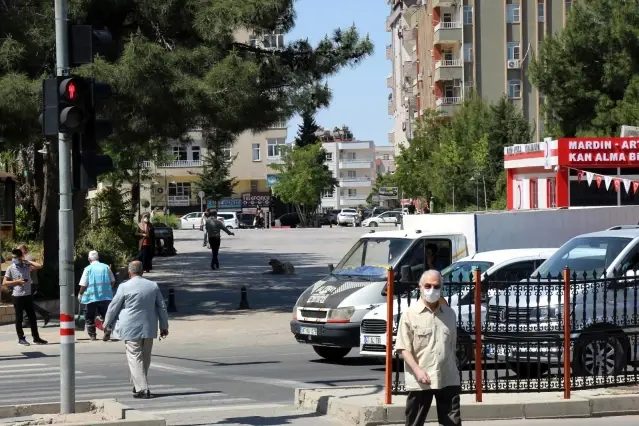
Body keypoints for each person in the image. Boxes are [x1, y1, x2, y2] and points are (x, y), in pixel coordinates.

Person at [395, 270, 461, 426]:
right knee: (414, 421)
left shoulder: (450, 314)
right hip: (421, 379)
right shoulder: (410, 315)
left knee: (452, 422)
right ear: (420, 287)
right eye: (428, 286)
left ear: (442, 287)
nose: (432, 290)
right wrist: (417, 370)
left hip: (447, 376)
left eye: (436, 286)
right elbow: (403, 347)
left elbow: (452, 344)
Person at [103, 260, 169, 399]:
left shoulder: (124, 287)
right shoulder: (152, 286)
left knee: (135, 358)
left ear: (129, 272)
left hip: (130, 327)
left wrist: (106, 323)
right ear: (142, 271)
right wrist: (164, 325)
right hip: (149, 326)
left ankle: (143, 388)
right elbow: (162, 307)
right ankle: (138, 383)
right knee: (145, 357)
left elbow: (113, 307)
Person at [2, 249, 48, 346]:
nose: (14, 259)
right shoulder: (11, 268)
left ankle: (36, 338)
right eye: (13, 257)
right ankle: (21, 338)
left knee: (32, 317)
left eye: (16, 257)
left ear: (20, 258)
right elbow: (4, 283)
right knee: (19, 318)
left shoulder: (26, 266)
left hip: (27, 295)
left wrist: (27, 261)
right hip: (17, 296)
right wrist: (16, 282)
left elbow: (40, 266)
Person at [77, 250, 116, 341]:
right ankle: (107, 329)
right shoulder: (106, 267)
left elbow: (83, 284)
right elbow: (113, 281)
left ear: (89, 259)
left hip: (92, 298)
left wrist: (80, 294)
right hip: (106, 297)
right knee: (105, 315)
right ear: (98, 258)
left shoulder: (88, 269)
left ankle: (93, 335)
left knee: (89, 316)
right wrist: (108, 290)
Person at [17, 244, 51, 327]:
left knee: (25, 301)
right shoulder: (24, 258)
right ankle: (44, 314)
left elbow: (31, 268)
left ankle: (27, 320)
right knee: (27, 302)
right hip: (29, 283)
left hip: (31, 283)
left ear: (23, 250)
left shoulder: (28, 258)